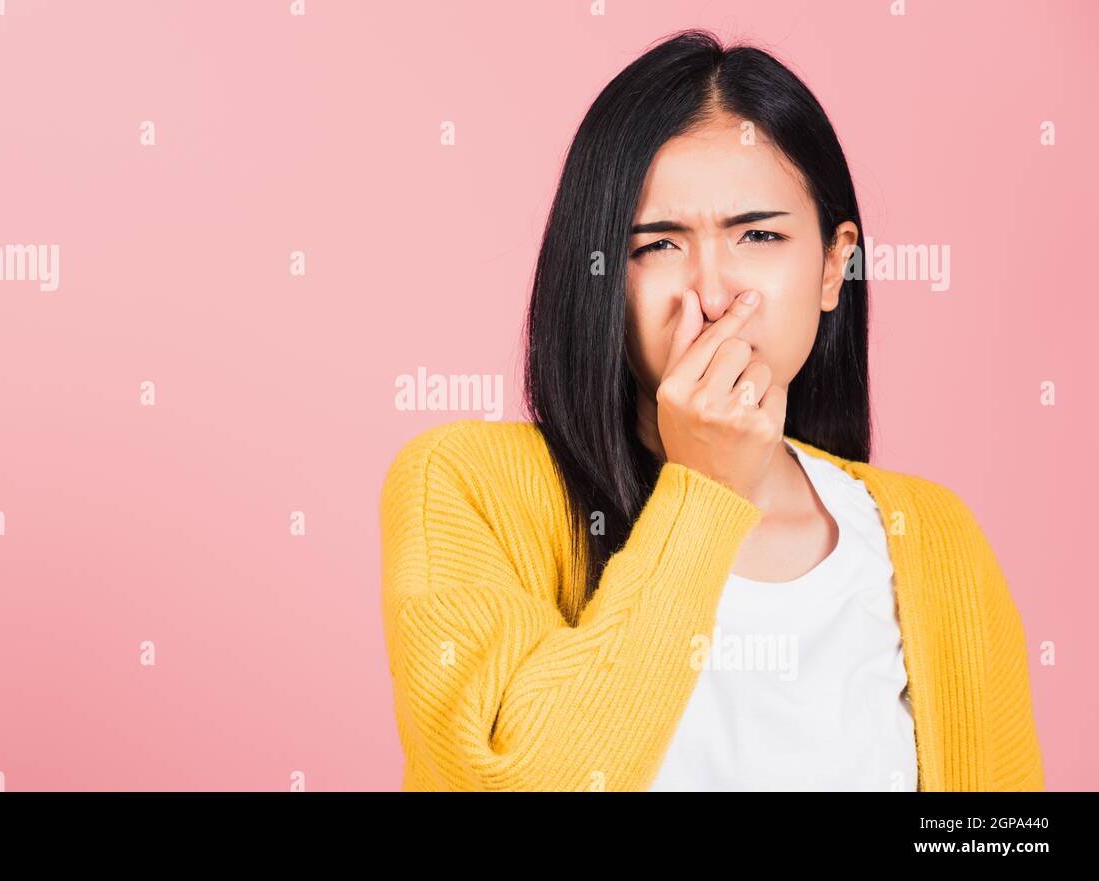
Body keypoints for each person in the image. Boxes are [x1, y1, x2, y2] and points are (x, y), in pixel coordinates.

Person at [378, 29, 1045, 792]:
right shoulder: (463, 486)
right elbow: (518, 777)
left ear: (833, 265)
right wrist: (705, 493)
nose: (715, 292)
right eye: (658, 245)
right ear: (598, 273)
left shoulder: (933, 537)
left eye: (759, 235)